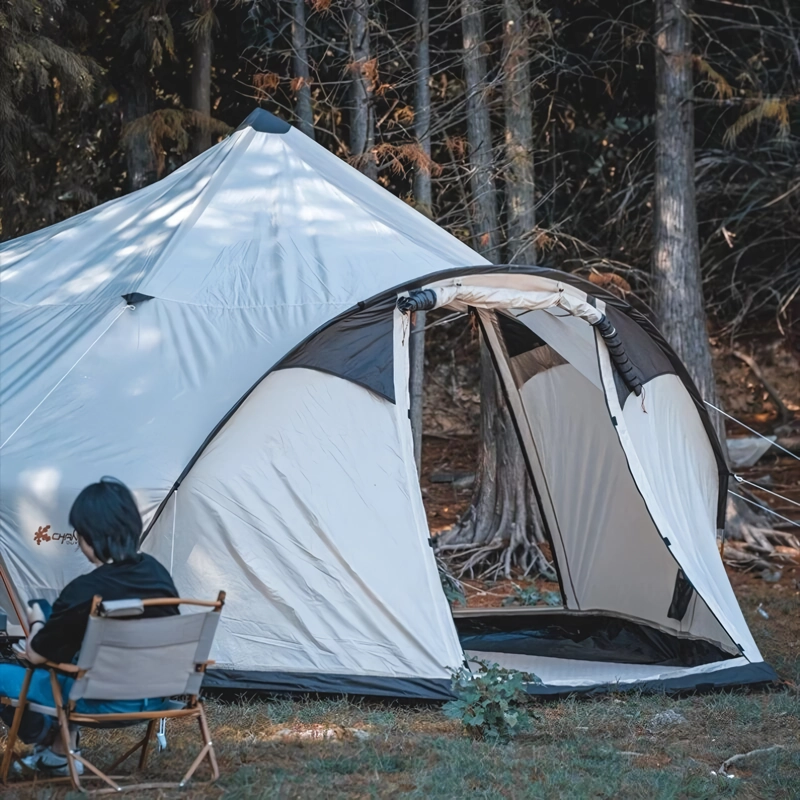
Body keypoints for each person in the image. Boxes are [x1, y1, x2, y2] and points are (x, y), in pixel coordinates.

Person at [0, 477, 179, 777]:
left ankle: (47, 741)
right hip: (156, 695)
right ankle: (58, 753)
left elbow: (35, 656)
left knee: (30, 657)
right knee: (68, 641)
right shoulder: (159, 576)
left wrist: (38, 622)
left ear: (90, 537)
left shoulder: (85, 592)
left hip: (98, 700)